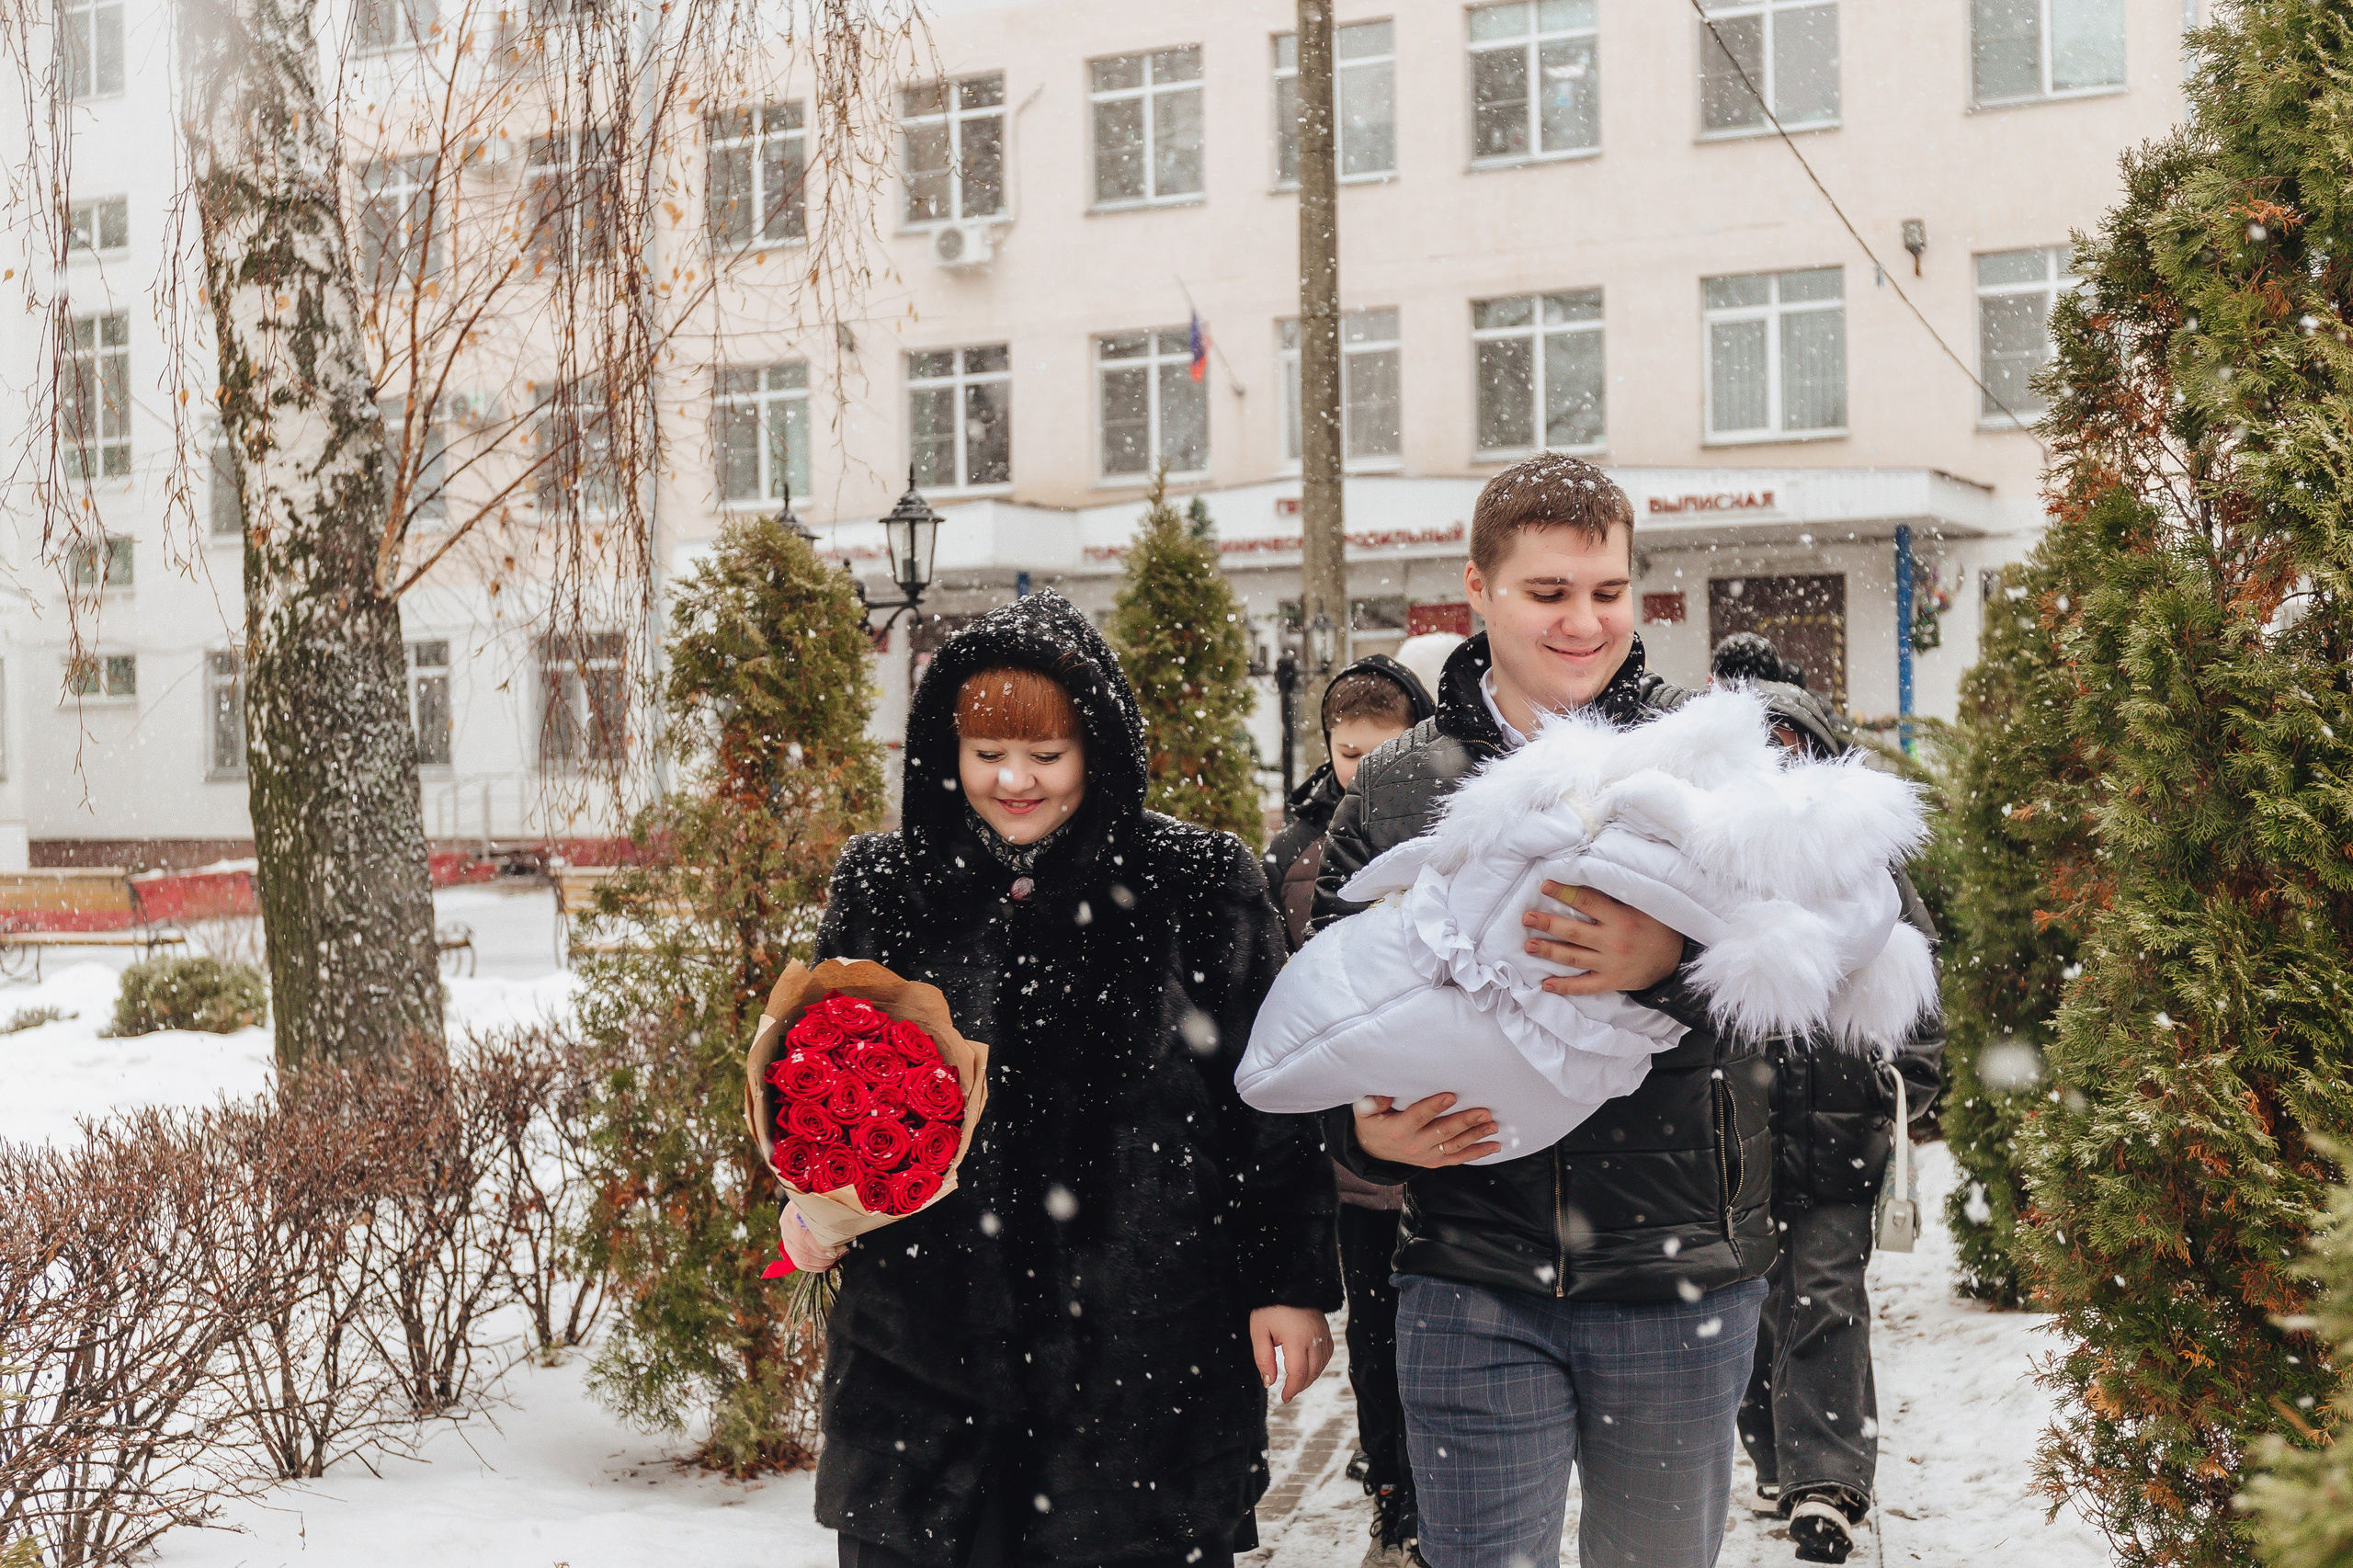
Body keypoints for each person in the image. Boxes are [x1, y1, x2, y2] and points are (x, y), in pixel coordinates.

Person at [788, 590, 1342, 1568]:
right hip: (925, 1356)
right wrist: (810, 1199)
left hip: (1143, 1356)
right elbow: (823, 1076)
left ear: (1098, 747)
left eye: (1047, 756)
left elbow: (1273, 1099)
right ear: (942, 750)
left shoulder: (1194, 882)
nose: (1014, 779)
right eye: (987, 753)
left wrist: (1287, 1283)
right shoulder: (887, 885)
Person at [1313, 452, 1776, 1568]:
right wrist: (1354, 1132)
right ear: (1476, 589)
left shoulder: (1710, 759)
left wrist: (1669, 960)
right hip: (1470, 1267)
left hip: (1676, 1272)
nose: (1583, 621)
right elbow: (1325, 1008)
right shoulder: (1397, 786)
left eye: (1607, 591)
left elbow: (1829, 984)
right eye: (1548, 592)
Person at [1733, 679, 1945, 1566]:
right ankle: (1777, 1457)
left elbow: (1918, 987)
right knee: (1753, 1312)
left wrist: (1910, 1082)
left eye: (1796, 751)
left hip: (1840, 1141)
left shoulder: (1870, 877)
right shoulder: (1722, 876)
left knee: (1824, 1299)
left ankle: (1828, 1482)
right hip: (1741, 1149)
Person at [1261, 653, 1437, 1567]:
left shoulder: (1463, 826)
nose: (1364, 770)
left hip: (1459, 1146)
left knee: (1449, 1337)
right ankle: (1397, 1501)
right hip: (1353, 1150)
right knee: (1377, 1334)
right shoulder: (1292, 854)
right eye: (1348, 751)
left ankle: (1445, 1493)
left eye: (1386, 749)